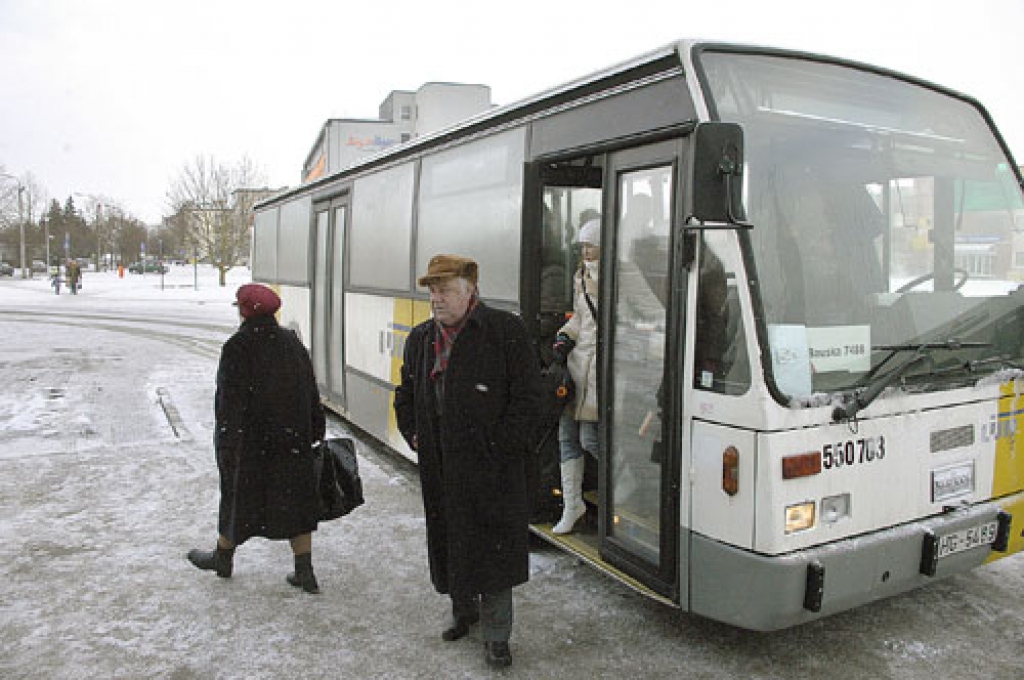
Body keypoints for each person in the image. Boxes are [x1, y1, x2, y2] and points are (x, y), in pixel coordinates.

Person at [393, 254, 540, 669]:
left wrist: (502, 448)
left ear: (470, 289)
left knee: (492, 551)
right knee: (452, 540)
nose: (436, 298)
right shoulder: (421, 339)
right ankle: (463, 612)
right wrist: (414, 433)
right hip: (441, 465)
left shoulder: (504, 331)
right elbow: (404, 392)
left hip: (491, 468)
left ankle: (497, 637)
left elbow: (529, 399)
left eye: (444, 289)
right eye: (432, 290)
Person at [187, 283, 327, 594]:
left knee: (238, 500)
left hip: (250, 444)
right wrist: (314, 430)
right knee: (297, 505)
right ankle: (305, 571)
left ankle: (223, 558)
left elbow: (228, 401)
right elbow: (310, 392)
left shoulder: (238, 346)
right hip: (291, 442)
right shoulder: (292, 342)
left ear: (244, 311)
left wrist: (225, 442)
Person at [551, 218, 601, 534]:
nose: (585, 251)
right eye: (582, 246)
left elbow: (649, 313)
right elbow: (580, 320)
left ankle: (623, 493)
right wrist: (564, 336)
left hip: (599, 372)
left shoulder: (621, 275)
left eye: (590, 245)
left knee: (590, 439)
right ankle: (573, 506)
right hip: (576, 367)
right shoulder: (580, 277)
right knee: (566, 437)